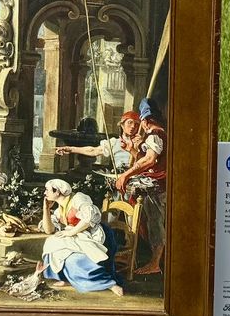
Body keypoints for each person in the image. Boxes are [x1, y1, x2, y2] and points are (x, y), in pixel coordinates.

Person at [55, 110, 166, 274]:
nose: (133, 127)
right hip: (116, 189)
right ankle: (105, 257)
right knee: (109, 220)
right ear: (121, 125)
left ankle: (135, 257)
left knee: (134, 224)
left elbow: (147, 164)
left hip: (136, 191)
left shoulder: (143, 143)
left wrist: (134, 151)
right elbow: (93, 151)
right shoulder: (114, 142)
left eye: (136, 124)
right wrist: (71, 149)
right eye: (129, 123)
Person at [33, 178, 124, 295]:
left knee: (74, 260)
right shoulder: (59, 208)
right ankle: (67, 278)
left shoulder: (78, 199)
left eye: (47, 190)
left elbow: (88, 219)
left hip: (94, 235)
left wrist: (71, 233)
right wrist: (46, 209)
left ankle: (109, 283)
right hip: (78, 235)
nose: (45, 193)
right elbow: (49, 230)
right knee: (52, 244)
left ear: (57, 192)